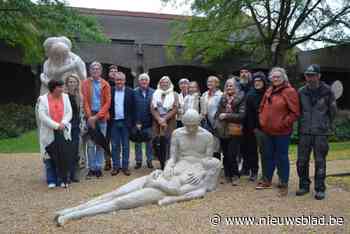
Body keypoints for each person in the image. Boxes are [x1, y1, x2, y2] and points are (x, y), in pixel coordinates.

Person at [55, 109, 221, 226]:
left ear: (199, 122)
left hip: (160, 186)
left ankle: (73, 216)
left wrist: (200, 173)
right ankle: (72, 209)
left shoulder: (199, 171)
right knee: (115, 193)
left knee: (119, 202)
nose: (190, 129)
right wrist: (167, 168)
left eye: (193, 125)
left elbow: (187, 188)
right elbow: (173, 157)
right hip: (162, 175)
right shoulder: (178, 133)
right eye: (187, 125)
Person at [296, 64, 337, 200]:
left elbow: (333, 111)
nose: (310, 77)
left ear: (319, 76)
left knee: (320, 161)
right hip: (305, 131)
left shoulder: (328, 91)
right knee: (301, 161)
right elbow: (298, 111)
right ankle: (304, 185)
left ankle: (320, 188)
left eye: (312, 75)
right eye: (308, 75)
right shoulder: (301, 91)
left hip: (321, 132)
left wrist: (327, 125)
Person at [257, 67, 300, 196]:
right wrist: (262, 120)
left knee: (281, 157)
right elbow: (261, 107)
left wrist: (283, 123)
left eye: (278, 77)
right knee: (267, 156)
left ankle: (283, 183)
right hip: (267, 131)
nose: (275, 79)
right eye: (273, 77)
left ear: (283, 78)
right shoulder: (269, 90)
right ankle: (267, 180)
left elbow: (295, 113)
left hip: (282, 132)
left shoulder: (290, 91)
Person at [38, 79, 72, 188]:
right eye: (60, 87)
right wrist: (56, 125)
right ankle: (51, 179)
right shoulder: (42, 99)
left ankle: (62, 179)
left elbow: (69, 112)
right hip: (49, 131)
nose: (62, 89)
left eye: (62, 87)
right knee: (49, 155)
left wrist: (63, 123)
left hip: (62, 131)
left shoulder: (65, 97)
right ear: (53, 88)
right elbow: (42, 116)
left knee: (62, 155)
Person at [82, 62, 111, 179]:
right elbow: (84, 101)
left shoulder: (106, 84)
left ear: (101, 71)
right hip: (90, 117)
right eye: (93, 68)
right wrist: (90, 117)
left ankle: (98, 167)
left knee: (99, 143)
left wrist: (97, 116)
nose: (95, 70)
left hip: (101, 117)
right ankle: (91, 168)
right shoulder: (85, 83)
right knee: (90, 144)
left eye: (97, 68)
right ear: (90, 70)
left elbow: (108, 103)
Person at [214, 78, 245, 186]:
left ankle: (235, 175)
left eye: (231, 86)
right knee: (225, 154)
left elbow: (242, 115)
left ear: (236, 87)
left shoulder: (241, 98)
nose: (228, 87)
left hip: (234, 129)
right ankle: (227, 175)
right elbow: (218, 113)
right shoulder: (223, 98)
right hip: (222, 129)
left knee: (232, 154)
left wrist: (227, 115)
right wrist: (217, 121)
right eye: (227, 85)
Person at [244, 71, 269, 182]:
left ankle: (266, 173)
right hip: (254, 127)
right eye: (255, 81)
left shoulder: (269, 93)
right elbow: (248, 114)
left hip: (267, 127)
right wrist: (252, 128)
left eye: (259, 81)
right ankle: (254, 172)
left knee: (265, 152)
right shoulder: (250, 95)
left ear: (264, 81)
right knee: (252, 151)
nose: (257, 83)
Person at [109, 72, 135, 176]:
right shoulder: (110, 91)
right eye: (117, 80)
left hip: (125, 123)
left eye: (121, 80)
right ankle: (115, 166)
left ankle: (125, 166)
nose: (119, 82)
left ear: (124, 81)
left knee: (125, 146)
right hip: (114, 122)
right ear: (114, 81)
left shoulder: (130, 92)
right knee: (115, 145)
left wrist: (134, 122)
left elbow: (134, 108)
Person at [151, 76, 179, 169]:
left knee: (169, 142)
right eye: (162, 82)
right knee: (157, 143)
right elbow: (152, 108)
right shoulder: (155, 94)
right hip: (157, 123)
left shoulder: (174, 94)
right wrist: (159, 119)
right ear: (160, 83)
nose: (164, 84)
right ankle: (161, 162)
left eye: (166, 82)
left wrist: (165, 119)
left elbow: (175, 109)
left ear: (170, 83)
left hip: (170, 123)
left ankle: (168, 163)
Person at [134, 73, 155, 169]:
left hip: (149, 122)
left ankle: (149, 160)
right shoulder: (134, 92)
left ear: (148, 81)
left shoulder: (153, 92)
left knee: (149, 143)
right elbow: (132, 108)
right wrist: (136, 122)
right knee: (138, 143)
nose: (144, 81)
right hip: (137, 123)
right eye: (142, 79)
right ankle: (138, 161)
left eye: (145, 80)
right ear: (139, 81)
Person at [64, 74, 82, 183]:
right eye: (70, 82)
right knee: (67, 150)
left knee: (75, 150)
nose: (72, 84)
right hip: (67, 126)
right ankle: (66, 173)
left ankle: (73, 174)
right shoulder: (63, 96)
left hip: (76, 126)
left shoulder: (79, 96)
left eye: (74, 82)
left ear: (77, 84)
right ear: (67, 84)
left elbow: (81, 112)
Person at [200, 75, 223, 160]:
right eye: (208, 81)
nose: (209, 83)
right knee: (207, 146)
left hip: (216, 125)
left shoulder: (220, 95)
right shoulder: (204, 95)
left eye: (211, 81)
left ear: (217, 84)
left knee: (216, 146)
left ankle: (216, 165)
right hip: (205, 124)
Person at [105, 65, 118, 171]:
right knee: (106, 140)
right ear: (109, 73)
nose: (113, 72)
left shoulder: (120, 84)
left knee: (116, 141)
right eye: (111, 71)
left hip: (117, 117)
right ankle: (107, 161)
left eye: (115, 71)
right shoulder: (105, 84)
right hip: (106, 117)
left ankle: (116, 161)